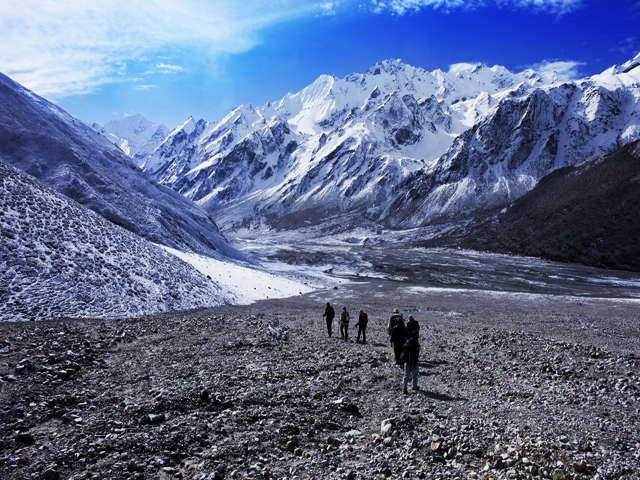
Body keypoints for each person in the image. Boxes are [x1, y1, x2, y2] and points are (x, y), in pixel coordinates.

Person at [402, 330, 420, 394]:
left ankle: (404, 388)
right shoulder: (415, 344)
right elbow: (415, 354)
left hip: (407, 362)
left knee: (406, 375)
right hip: (413, 362)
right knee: (414, 375)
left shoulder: (407, 342)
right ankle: (414, 386)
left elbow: (404, 352)